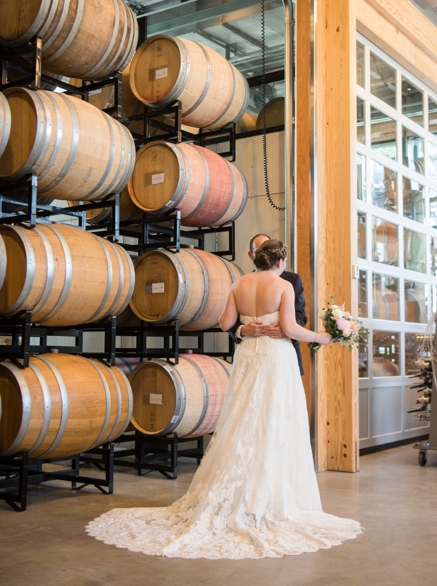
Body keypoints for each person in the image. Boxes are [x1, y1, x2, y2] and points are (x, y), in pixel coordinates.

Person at [86, 240, 361, 559]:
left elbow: (226, 325)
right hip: (274, 358)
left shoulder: (239, 284)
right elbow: (288, 328)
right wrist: (321, 338)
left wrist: (247, 328)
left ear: (256, 259)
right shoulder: (283, 285)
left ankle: (237, 493)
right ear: (280, 260)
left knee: (242, 418)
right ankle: (268, 500)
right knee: (274, 419)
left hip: (247, 357)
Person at [232, 232, 308, 375]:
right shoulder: (241, 283)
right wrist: (241, 330)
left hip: (284, 355)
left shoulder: (292, 280)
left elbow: (301, 316)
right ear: (251, 255)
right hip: (250, 359)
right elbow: (228, 321)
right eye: (260, 251)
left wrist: (285, 330)